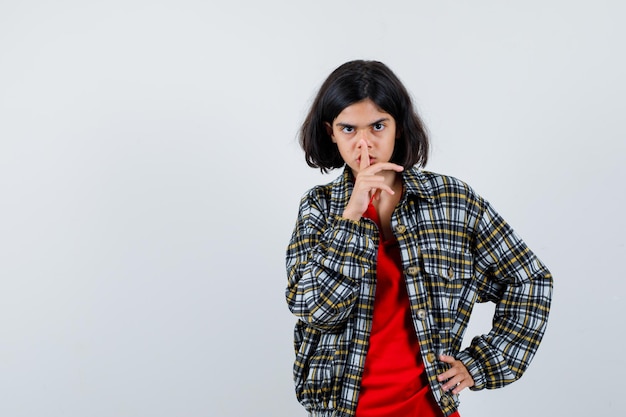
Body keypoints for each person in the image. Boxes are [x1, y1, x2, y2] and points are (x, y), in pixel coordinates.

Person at [285, 60, 552, 417]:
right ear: (331, 132)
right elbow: (314, 310)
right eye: (348, 129)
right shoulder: (318, 209)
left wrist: (482, 364)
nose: (364, 144)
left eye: (378, 126)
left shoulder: (452, 202)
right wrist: (351, 216)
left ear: (399, 127)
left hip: (429, 409)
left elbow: (530, 279)